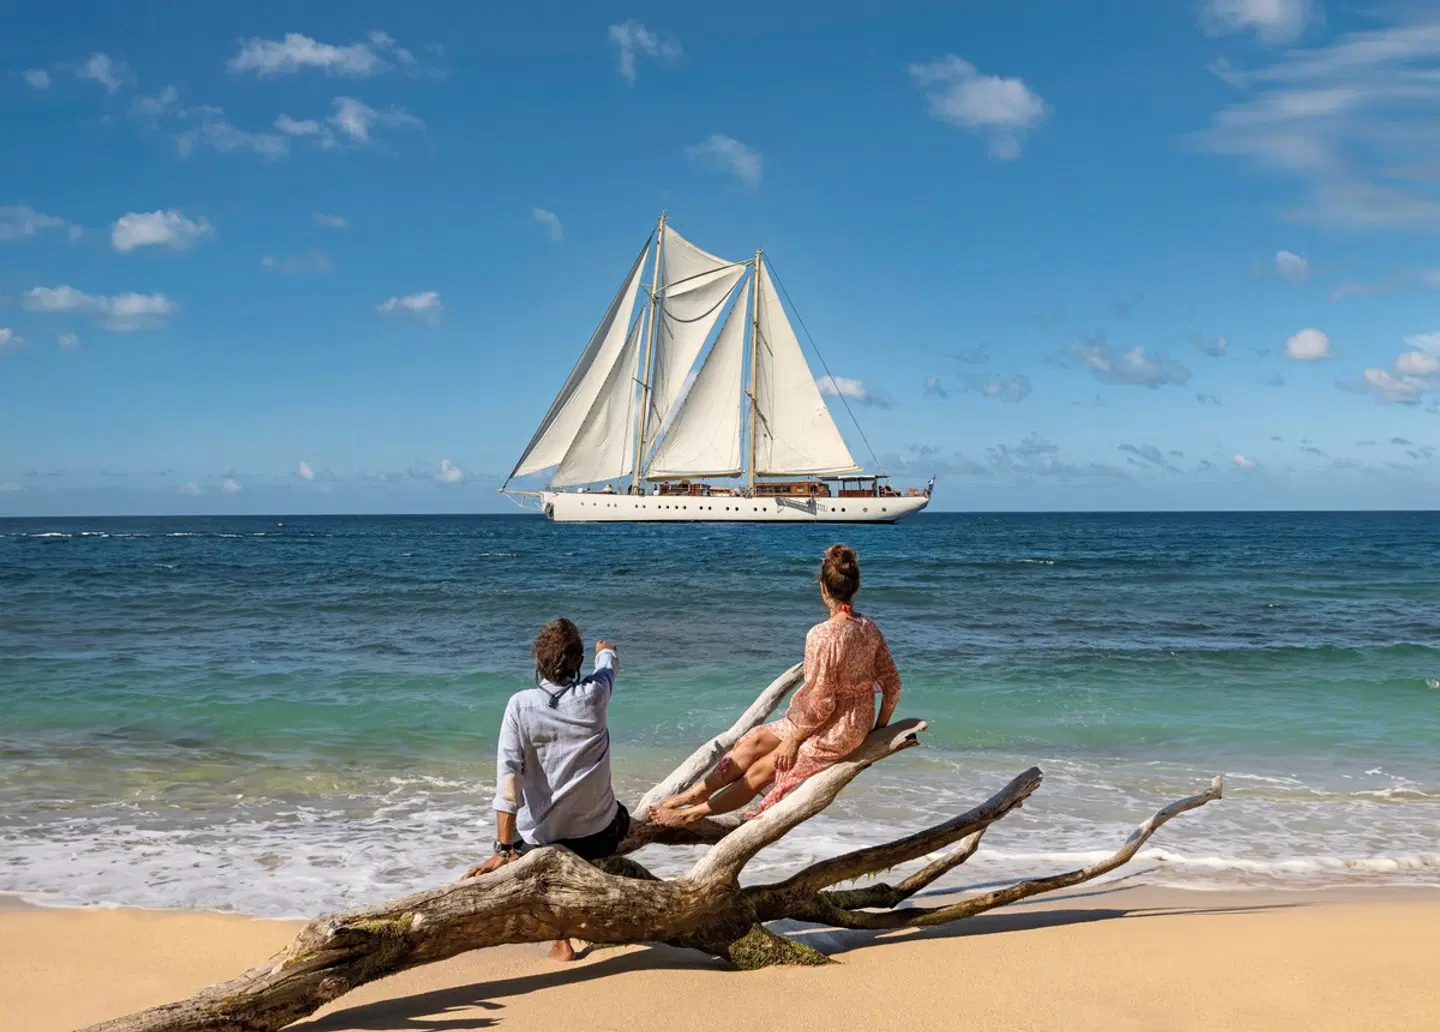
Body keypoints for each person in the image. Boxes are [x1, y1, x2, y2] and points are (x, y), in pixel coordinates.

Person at [651, 544, 901, 827]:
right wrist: (877, 725)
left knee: (764, 767)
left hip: (836, 730)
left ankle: (690, 814)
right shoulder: (869, 626)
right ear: (855, 587)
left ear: (822, 588)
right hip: (845, 721)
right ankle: (693, 795)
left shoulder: (822, 635)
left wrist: (794, 741)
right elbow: (893, 684)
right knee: (755, 741)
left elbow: (821, 700)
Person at [462, 618, 628, 963]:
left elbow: (508, 780)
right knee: (619, 816)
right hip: (599, 834)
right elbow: (609, 665)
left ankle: (562, 940)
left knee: (539, 848)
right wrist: (606, 651)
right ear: (578, 663)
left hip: (542, 841)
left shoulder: (520, 706)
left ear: (537, 660)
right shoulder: (595, 694)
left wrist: (503, 850)